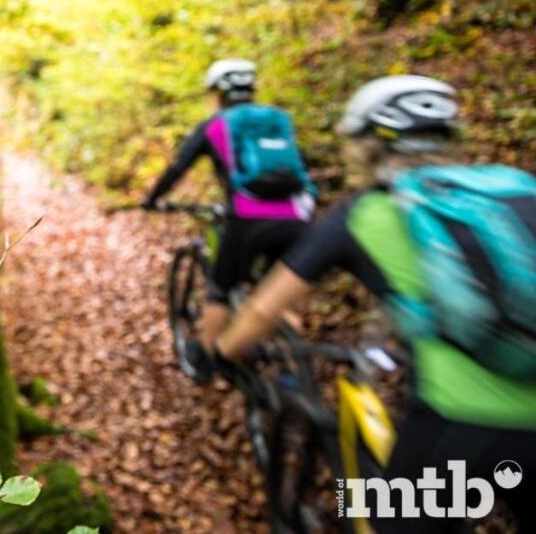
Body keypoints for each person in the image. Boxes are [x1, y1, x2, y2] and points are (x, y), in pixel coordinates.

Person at [216, 75, 536, 531]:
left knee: (389, 517)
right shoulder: (514, 187)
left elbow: (265, 309)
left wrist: (227, 350)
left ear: (367, 145)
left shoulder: (365, 212)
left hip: (462, 426)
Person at [143, 59, 315, 375]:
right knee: (278, 289)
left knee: (220, 288)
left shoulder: (216, 125)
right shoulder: (277, 120)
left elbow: (178, 167)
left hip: (249, 217)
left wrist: (152, 199)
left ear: (218, 93)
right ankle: (295, 368)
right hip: (297, 217)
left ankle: (208, 361)